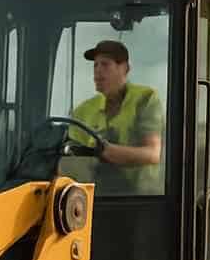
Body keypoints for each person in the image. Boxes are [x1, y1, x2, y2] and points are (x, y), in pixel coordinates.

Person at [68, 40, 163, 195]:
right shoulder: (82, 111)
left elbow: (152, 154)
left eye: (105, 64)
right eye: (95, 65)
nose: (97, 71)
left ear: (125, 68)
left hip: (143, 201)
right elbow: (71, 162)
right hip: (95, 200)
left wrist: (107, 151)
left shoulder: (145, 99)